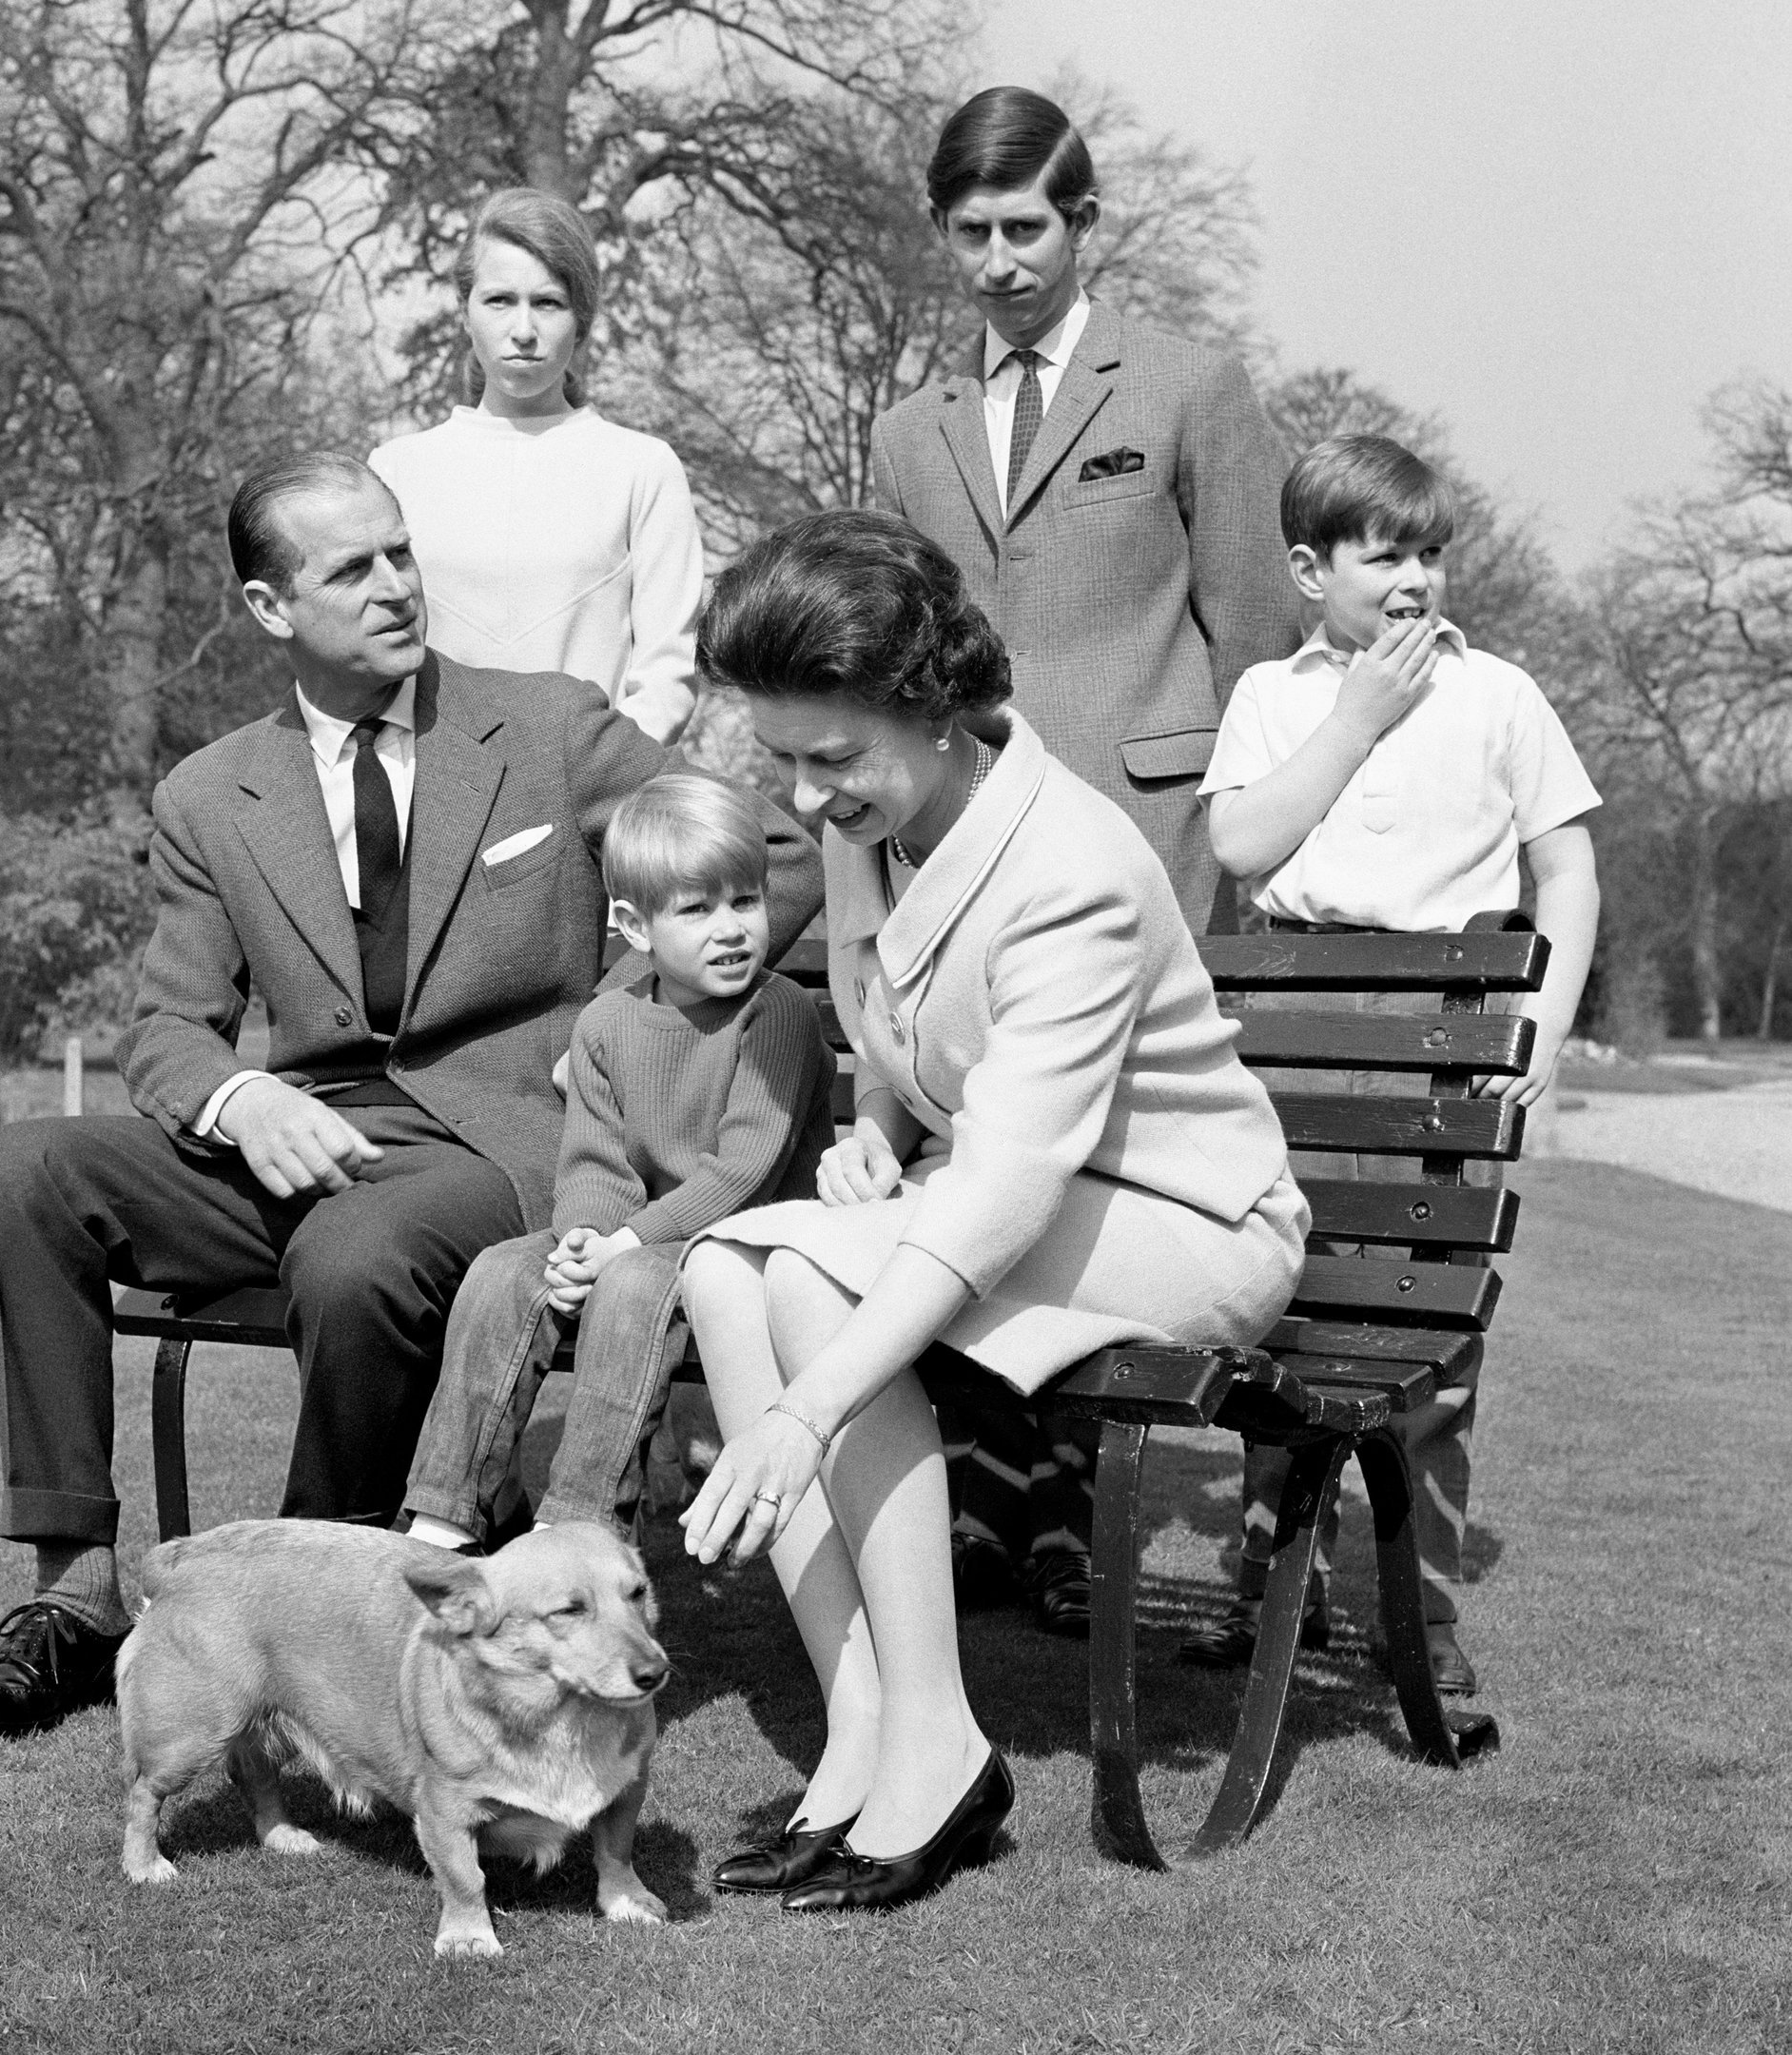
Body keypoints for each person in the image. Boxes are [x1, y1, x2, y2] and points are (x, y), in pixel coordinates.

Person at [0, 452, 819, 1746]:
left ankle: (320, 1604)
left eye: (401, 553)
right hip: (301, 1136)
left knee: (357, 1256)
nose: (397, 585)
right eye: (352, 569)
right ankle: (70, 1600)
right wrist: (236, 1099)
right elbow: (168, 1023)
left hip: (493, 1145)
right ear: (269, 607)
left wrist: (625, 1011)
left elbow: (772, 858)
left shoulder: (547, 728)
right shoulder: (210, 793)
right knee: (21, 1171)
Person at [674, 509, 1306, 1913]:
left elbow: (1013, 1179)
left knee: (810, 1299)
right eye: (775, 756)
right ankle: (869, 1731)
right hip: (1016, 1190)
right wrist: (868, 1134)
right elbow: (911, 1029)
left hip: (1183, 1220)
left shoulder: (1068, 870)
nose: (800, 795)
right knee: (729, 1270)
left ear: (941, 710)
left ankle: (939, 1749)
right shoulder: (877, 815)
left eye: (828, 758)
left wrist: (798, 1413)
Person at [868, 86, 1301, 1627]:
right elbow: (898, 636)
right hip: (963, 841)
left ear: (1084, 220)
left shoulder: (1190, 386)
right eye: (971, 233)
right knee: (973, 1133)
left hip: (1146, 834)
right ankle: (991, 1503)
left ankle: (1059, 1514)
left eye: (1027, 228)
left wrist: (1223, 812)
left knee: (1096, 1149)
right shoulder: (910, 428)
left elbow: (1256, 627)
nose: (999, 261)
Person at [1184, 432, 1602, 1694]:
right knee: (1277, 1301)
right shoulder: (1274, 694)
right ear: (1310, 570)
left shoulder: (1500, 695)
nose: (1413, 576)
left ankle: (1411, 1600)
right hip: (1292, 1023)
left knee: (1422, 1326)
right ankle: (1273, 1582)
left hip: (1448, 1027)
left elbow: (1566, 870)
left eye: (1428, 550)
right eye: (1383, 555)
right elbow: (1243, 843)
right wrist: (1355, 717)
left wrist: (1539, 1029)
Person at [401, 774, 834, 1550]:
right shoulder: (607, 1021)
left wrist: (622, 1247)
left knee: (634, 1282)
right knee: (504, 1269)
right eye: (696, 909)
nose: (730, 929)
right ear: (635, 927)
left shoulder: (778, 1016)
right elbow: (595, 1162)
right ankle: (445, 1513)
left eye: (746, 900)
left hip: (748, 1242)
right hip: (637, 1234)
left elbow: (743, 1171)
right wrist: (581, 1241)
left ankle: (584, 1525)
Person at [368, 186, 703, 745]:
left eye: (548, 303)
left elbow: (668, 676)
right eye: (499, 300)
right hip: (434, 798)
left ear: (582, 320)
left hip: (590, 797)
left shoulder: (642, 469)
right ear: (465, 312)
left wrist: (590, 776)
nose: (523, 330)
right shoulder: (396, 470)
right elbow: (371, 658)